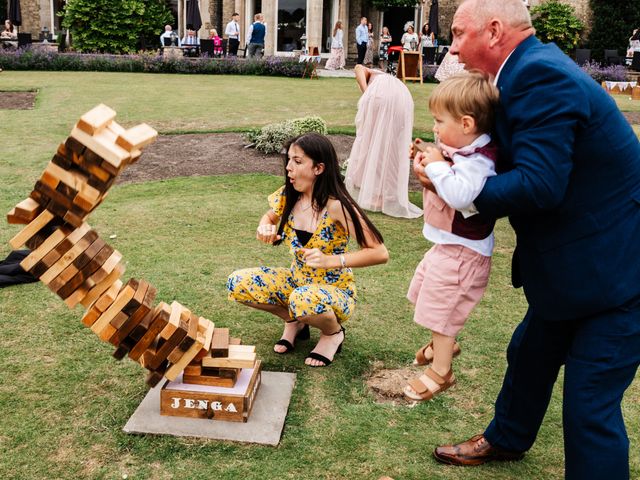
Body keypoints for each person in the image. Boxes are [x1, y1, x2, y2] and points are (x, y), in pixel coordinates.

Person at [426, 1, 640, 479]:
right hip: (575, 263)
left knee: (589, 404)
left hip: (617, 271)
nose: (453, 47)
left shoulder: (542, 76)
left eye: (459, 34)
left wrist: (458, 190)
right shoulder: (522, 72)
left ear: (495, 30)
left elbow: (541, 184)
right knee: (529, 353)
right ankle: (507, 438)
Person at [227, 133, 389, 367]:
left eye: (298, 161)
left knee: (303, 300)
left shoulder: (337, 207)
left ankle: (333, 334)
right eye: (289, 160)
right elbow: (270, 216)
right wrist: (265, 227)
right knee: (237, 283)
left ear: (319, 168)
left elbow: (379, 252)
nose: (289, 168)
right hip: (297, 281)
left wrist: (330, 261)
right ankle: (295, 322)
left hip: (334, 291)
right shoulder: (289, 195)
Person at [403, 71, 499, 402]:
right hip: (448, 246)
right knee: (424, 293)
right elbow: (445, 167)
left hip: (464, 252)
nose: (434, 128)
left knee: (440, 308)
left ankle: (441, 372)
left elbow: (460, 196)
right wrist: (432, 157)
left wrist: (437, 167)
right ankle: (445, 343)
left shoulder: (478, 163)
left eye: (439, 121)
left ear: (467, 124)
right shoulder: (460, 149)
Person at [345, 65, 422, 219]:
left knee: (368, 142)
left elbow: (358, 68)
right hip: (403, 97)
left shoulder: (374, 77)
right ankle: (385, 193)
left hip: (381, 94)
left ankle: (374, 193)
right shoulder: (390, 81)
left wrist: (366, 92)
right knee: (392, 146)